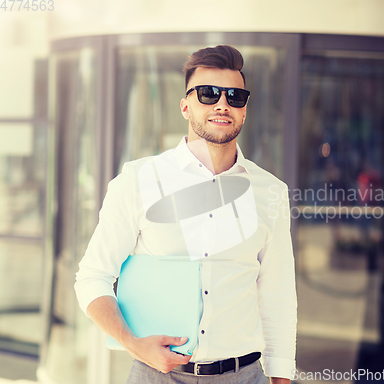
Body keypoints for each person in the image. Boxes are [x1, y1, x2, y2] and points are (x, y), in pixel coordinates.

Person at [75, 45, 297, 384]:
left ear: (244, 110)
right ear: (185, 106)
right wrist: (132, 344)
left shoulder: (270, 192)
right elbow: (92, 277)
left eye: (235, 96)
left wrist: (281, 377)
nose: (222, 104)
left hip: (243, 376)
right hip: (155, 375)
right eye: (208, 94)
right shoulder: (138, 180)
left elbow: (278, 295)